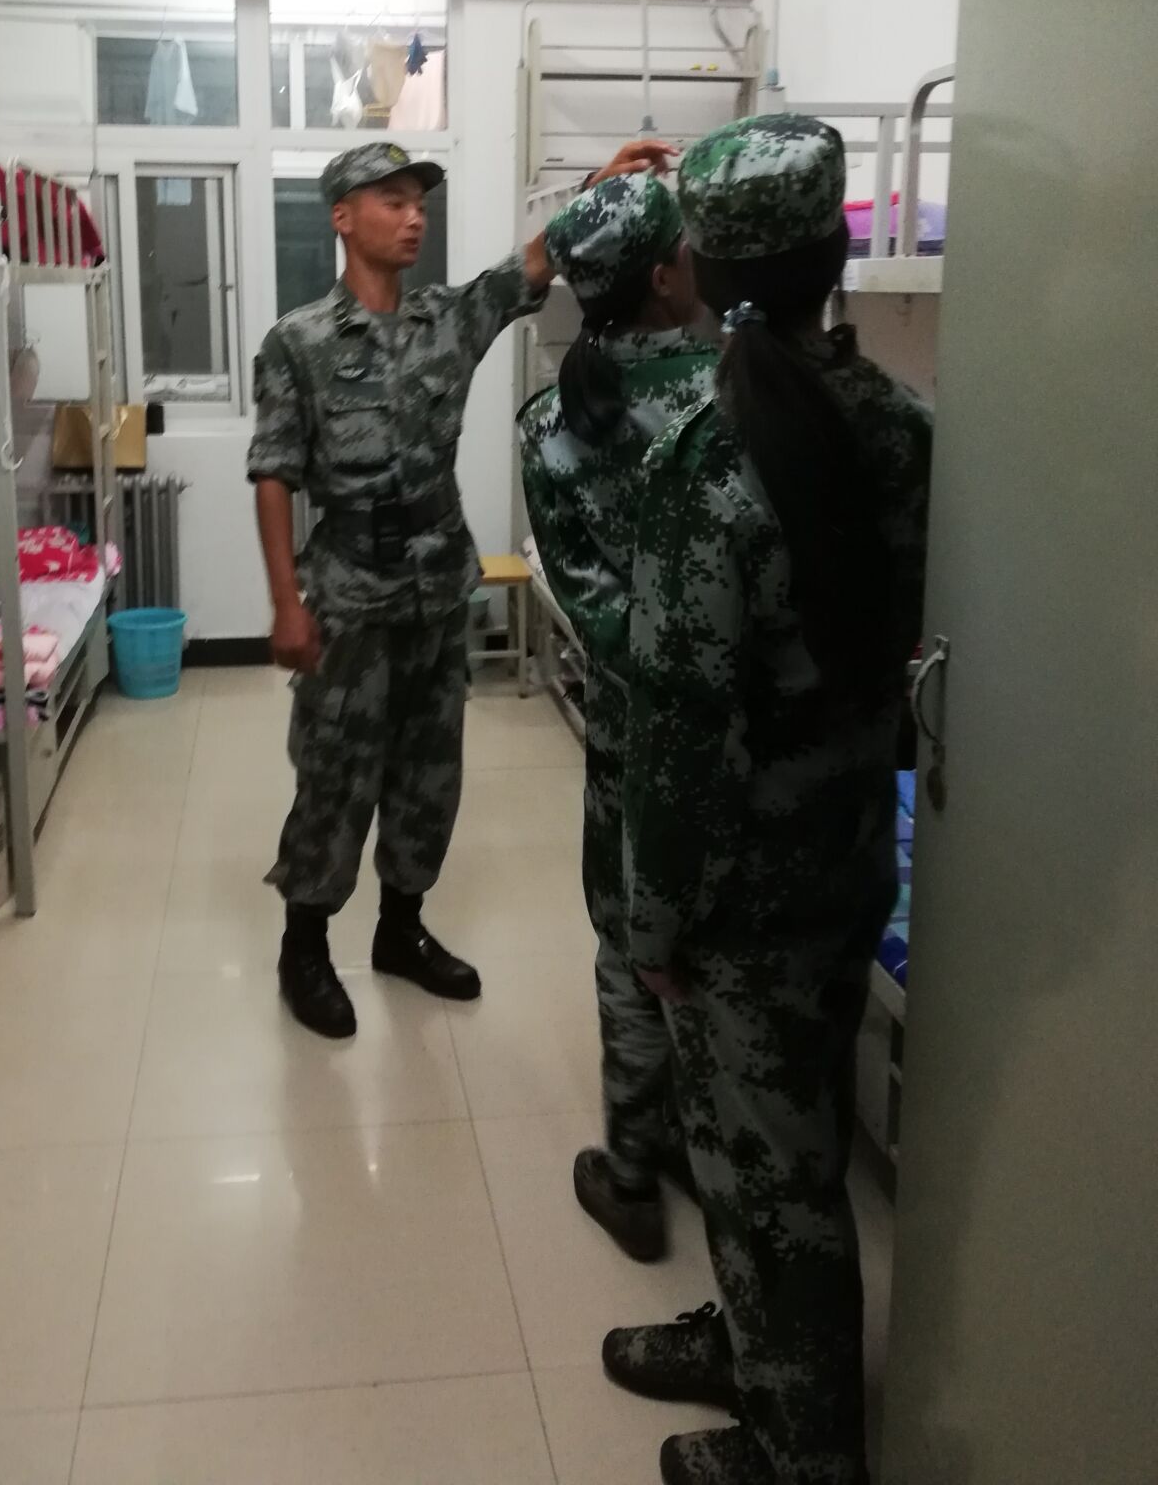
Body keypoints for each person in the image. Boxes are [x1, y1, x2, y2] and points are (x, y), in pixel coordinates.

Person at [601, 117, 932, 1485]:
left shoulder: (707, 457)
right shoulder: (905, 425)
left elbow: (680, 732)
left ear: (708, 265)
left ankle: (800, 1449)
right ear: (834, 251)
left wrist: (656, 925)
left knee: (767, 1164)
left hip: (745, 889)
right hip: (854, 846)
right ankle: (750, 1344)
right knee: (789, 1138)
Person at [247, 137, 668, 1038]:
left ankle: (401, 930)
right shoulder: (298, 342)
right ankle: (304, 948)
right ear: (342, 217)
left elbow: (535, 263)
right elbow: (273, 473)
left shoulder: (449, 318)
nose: (414, 218)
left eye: (420, 203)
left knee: (429, 773)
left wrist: (598, 186)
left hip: (439, 589)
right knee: (335, 777)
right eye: (392, 201)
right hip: (349, 594)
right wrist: (286, 604)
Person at [518, 169, 718, 1264]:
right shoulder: (741, 391)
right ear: (664, 277)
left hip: (637, 739)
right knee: (727, 953)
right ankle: (713, 1151)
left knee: (632, 941)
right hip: (756, 738)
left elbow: (592, 608)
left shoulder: (553, 423)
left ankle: (634, 1170)